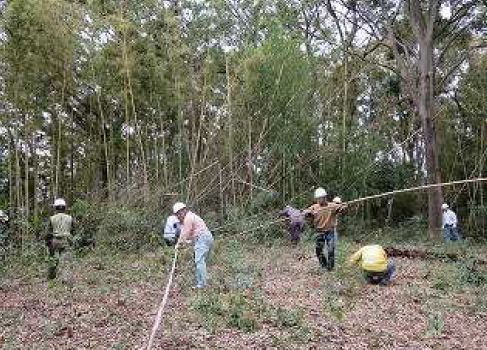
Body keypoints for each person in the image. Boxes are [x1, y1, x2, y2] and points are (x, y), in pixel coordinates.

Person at [303, 188, 345, 271]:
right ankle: (324, 266)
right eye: (317, 199)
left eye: (320, 198)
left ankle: (330, 269)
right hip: (319, 232)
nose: (318, 200)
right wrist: (309, 213)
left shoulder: (332, 206)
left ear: (325, 197)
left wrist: (342, 208)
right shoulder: (314, 207)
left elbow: (341, 208)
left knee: (330, 250)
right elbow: (304, 212)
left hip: (330, 231)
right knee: (318, 251)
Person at [173, 202, 214, 289]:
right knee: (200, 261)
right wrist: (185, 243)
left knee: (199, 261)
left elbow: (185, 234)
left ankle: (202, 285)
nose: (178, 216)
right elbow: (191, 237)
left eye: (178, 214)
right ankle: (201, 282)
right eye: (177, 215)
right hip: (206, 237)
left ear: (183, 211)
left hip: (203, 238)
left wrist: (178, 244)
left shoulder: (188, 218)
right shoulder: (192, 216)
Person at [44, 198, 74, 280]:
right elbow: (73, 230)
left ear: (55, 208)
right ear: (64, 208)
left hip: (55, 241)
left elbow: (48, 232)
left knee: (52, 259)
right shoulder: (70, 218)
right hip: (66, 241)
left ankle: (51, 277)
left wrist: (47, 243)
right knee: (66, 261)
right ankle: (66, 279)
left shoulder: (52, 218)